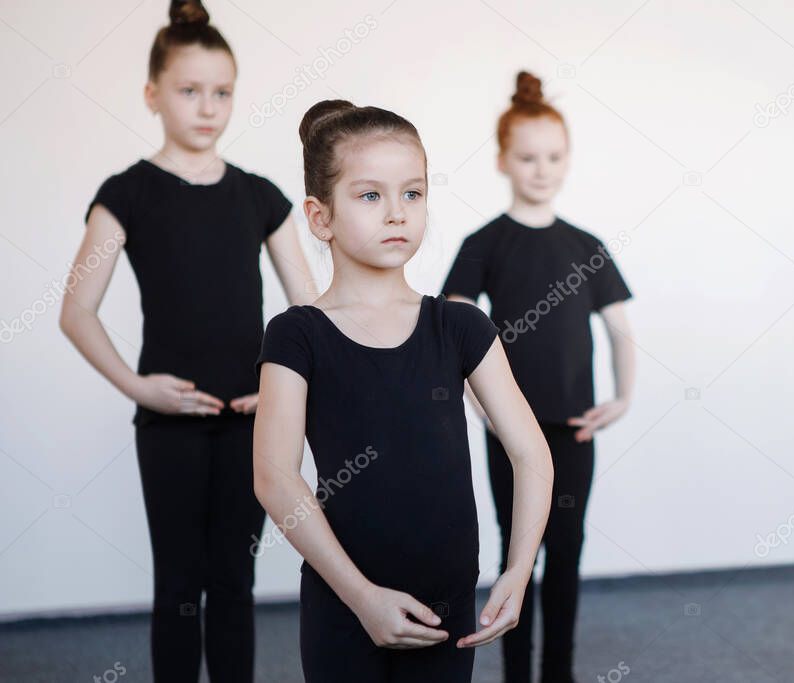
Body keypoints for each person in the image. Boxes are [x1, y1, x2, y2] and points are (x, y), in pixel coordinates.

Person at [252, 98, 554, 683]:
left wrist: (518, 571)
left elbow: (530, 452)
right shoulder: (296, 335)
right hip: (344, 600)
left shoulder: (462, 327)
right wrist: (362, 597)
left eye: (412, 194)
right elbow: (274, 477)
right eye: (370, 196)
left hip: (448, 604)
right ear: (320, 217)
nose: (397, 213)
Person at [59, 2, 314, 680]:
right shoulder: (126, 194)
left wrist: (277, 391)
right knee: (178, 585)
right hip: (168, 423)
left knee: (234, 579)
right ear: (153, 94)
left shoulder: (261, 197)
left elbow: (309, 315)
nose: (209, 107)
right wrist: (140, 387)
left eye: (223, 92)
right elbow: (77, 309)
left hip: (248, 422)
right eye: (190, 90)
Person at [442, 70, 636, 683]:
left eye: (553, 157)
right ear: (503, 160)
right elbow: (451, 323)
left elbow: (620, 330)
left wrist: (623, 397)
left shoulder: (587, 245)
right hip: (511, 433)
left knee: (567, 554)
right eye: (528, 157)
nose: (542, 168)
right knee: (515, 555)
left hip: (574, 429)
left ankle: (560, 674)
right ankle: (516, 675)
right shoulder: (484, 243)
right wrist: (478, 401)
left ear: (567, 159)